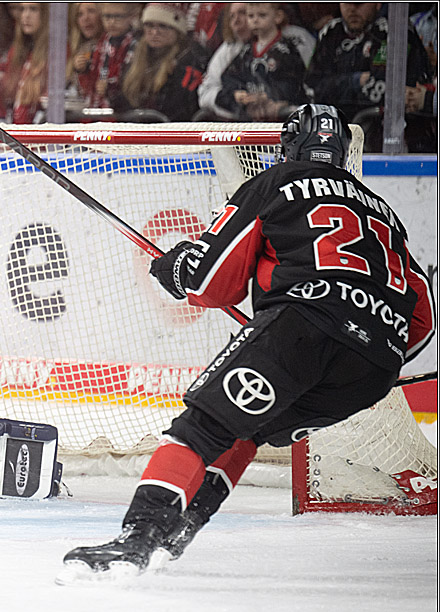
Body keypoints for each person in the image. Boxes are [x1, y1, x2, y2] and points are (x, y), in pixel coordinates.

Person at [59, 104, 435, 581]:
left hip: (300, 327)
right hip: (372, 369)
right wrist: (368, 340)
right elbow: (423, 322)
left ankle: (139, 538)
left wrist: (177, 269)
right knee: (246, 430)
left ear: (287, 145)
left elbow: (212, 282)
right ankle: (178, 530)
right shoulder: (384, 212)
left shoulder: (275, 182)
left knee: (203, 425)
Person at [305, 2, 433, 152]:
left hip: (389, 138)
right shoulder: (331, 32)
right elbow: (311, 87)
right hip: (334, 135)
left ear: (377, 4)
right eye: (347, 3)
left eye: (359, 3)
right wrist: (355, 81)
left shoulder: (394, 30)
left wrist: (335, 88)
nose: (352, 9)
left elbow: (385, 91)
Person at [113, 2, 207, 122]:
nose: (154, 32)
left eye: (163, 26)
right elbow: (121, 101)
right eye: (149, 25)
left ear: (177, 30)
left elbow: (182, 109)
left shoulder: (190, 59)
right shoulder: (134, 56)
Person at [215, 2, 308, 122]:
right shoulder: (246, 52)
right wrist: (237, 94)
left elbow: (294, 85)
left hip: (283, 122)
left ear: (278, 17)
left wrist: (270, 96)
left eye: (262, 15)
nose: (255, 20)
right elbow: (228, 78)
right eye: (251, 16)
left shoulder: (287, 51)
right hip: (253, 122)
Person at [0, 2, 49, 124]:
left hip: (40, 134)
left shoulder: (56, 54)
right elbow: (2, 102)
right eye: (22, 9)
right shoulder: (15, 51)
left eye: (33, 9)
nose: (25, 15)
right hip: (13, 132)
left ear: (46, 14)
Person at [197, 1, 250, 120]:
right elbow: (205, 93)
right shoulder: (228, 50)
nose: (236, 21)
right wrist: (231, 99)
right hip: (239, 125)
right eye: (232, 16)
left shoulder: (292, 41)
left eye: (243, 13)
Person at [89, 2, 140, 110]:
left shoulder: (136, 44)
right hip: (99, 108)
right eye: (107, 16)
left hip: (123, 112)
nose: (112, 22)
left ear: (131, 16)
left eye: (118, 16)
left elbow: (132, 85)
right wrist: (83, 70)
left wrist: (110, 88)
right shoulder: (102, 43)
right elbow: (93, 79)